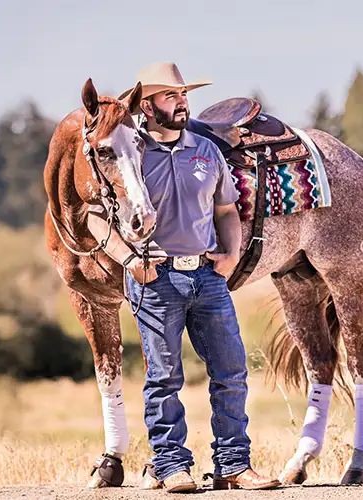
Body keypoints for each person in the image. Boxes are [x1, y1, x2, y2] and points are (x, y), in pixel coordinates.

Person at [116, 62, 281, 493]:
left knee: (232, 370)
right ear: (146, 107)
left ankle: (232, 465)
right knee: (164, 377)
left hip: (207, 278)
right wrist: (129, 257)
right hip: (156, 280)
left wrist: (230, 254)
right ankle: (171, 465)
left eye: (183, 94)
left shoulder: (205, 151)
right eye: (170, 96)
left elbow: (226, 209)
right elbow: (106, 214)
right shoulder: (129, 156)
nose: (182, 101)